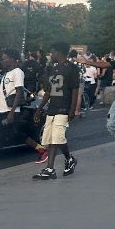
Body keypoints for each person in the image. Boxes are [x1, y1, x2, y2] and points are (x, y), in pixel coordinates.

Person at [0, 50, 48, 174]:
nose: (2, 61)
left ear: (12, 59)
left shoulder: (17, 72)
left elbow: (19, 92)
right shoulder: (7, 73)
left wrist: (12, 113)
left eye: (4, 58)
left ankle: (42, 151)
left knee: (17, 135)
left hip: (9, 111)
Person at [32, 42, 81, 181]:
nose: (50, 55)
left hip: (64, 108)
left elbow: (75, 89)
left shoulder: (72, 68)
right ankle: (67, 160)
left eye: (52, 52)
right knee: (51, 138)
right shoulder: (53, 69)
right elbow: (48, 91)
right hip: (52, 107)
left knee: (57, 137)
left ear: (59, 52)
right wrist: (39, 109)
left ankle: (52, 168)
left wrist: (72, 110)